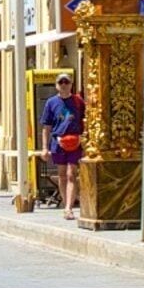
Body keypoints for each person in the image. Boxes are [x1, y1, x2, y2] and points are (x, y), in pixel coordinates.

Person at [41, 79, 85, 211]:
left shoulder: (78, 101)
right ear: (56, 86)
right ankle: (65, 202)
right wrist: (45, 147)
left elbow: (86, 120)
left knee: (72, 173)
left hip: (75, 141)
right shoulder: (51, 103)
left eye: (67, 82)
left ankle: (68, 207)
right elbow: (46, 126)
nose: (64, 85)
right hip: (58, 142)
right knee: (62, 174)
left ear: (71, 85)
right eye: (61, 83)